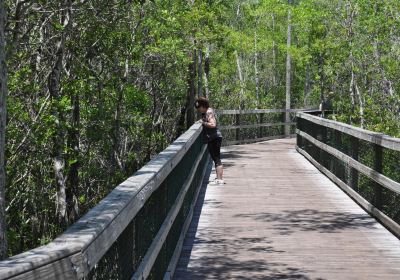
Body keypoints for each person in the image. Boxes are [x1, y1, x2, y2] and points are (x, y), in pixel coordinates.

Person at [195, 97, 224, 186]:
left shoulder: (208, 112)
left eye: (199, 108)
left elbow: (213, 124)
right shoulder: (208, 111)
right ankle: (218, 178)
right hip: (213, 137)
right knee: (216, 158)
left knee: (216, 158)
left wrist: (203, 123)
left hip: (214, 137)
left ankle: (219, 180)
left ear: (203, 106)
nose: (199, 110)